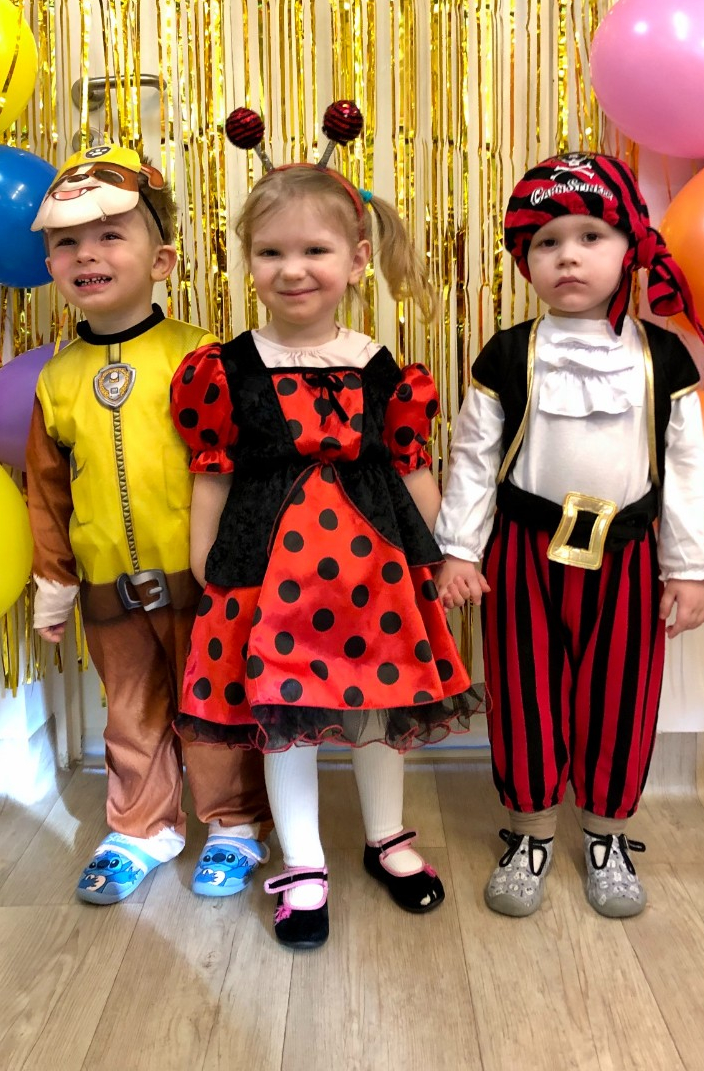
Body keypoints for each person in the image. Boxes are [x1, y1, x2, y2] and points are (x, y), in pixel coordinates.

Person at [170, 108, 483, 949]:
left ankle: (386, 839)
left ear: (357, 258)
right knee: (285, 720)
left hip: (376, 576)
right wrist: (205, 558)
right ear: (247, 262)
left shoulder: (383, 368)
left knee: (381, 708)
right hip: (267, 577)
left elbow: (411, 468)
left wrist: (443, 555)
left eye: (314, 250)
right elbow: (213, 470)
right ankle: (302, 861)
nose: (292, 269)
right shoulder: (224, 369)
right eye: (270, 252)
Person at [434, 152, 704, 919]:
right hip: (522, 554)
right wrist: (459, 550)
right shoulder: (506, 354)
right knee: (522, 690)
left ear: (630, 247)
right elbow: (473, 458)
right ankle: (528, 831)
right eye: (546, 242)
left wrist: (688, 567)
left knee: (621, 695)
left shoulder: (662, 359)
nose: (567, 255)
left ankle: (605, 835)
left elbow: (684, 468)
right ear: (524, 259)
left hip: (626, 556)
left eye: (590, 236)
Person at [25, 144, 271, 905]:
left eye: (110, 235)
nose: (86, 254)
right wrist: (54, 581)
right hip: (108, 587)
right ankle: (141, 827)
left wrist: (247, 566)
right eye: (67, 242)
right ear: (50, 264)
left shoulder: (200, 356)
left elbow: (244, 469)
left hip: (202, 581)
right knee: (130, 713)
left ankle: (234, 824)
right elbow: (46, 491)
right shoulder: (57, 379)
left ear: (161, 260)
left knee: (214, 705)